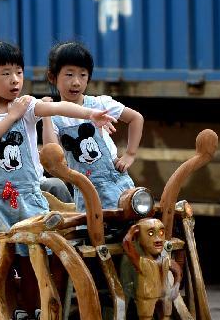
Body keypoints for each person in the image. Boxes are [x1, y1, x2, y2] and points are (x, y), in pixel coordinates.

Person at [0, 41, 116, 320]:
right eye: (6, 73)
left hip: (29, 198)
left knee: (33, 259)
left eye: (18, 72)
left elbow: (59, 106)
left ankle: (36, 315)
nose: (14, 80)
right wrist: (12, 116)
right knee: (2, 263)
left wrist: (90, 114)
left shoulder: (29, 105)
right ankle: (13, 318)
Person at [41, 41, 145, 211]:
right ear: (52, 77)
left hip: (117, 183)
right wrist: (46, 114)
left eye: (83, 75)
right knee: (93, 234)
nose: (76, 82)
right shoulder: (54, 117)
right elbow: (52, 153)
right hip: (85, 191)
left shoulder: (99, 104)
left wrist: (130, 154)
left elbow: (136, 118)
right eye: (69, 75)